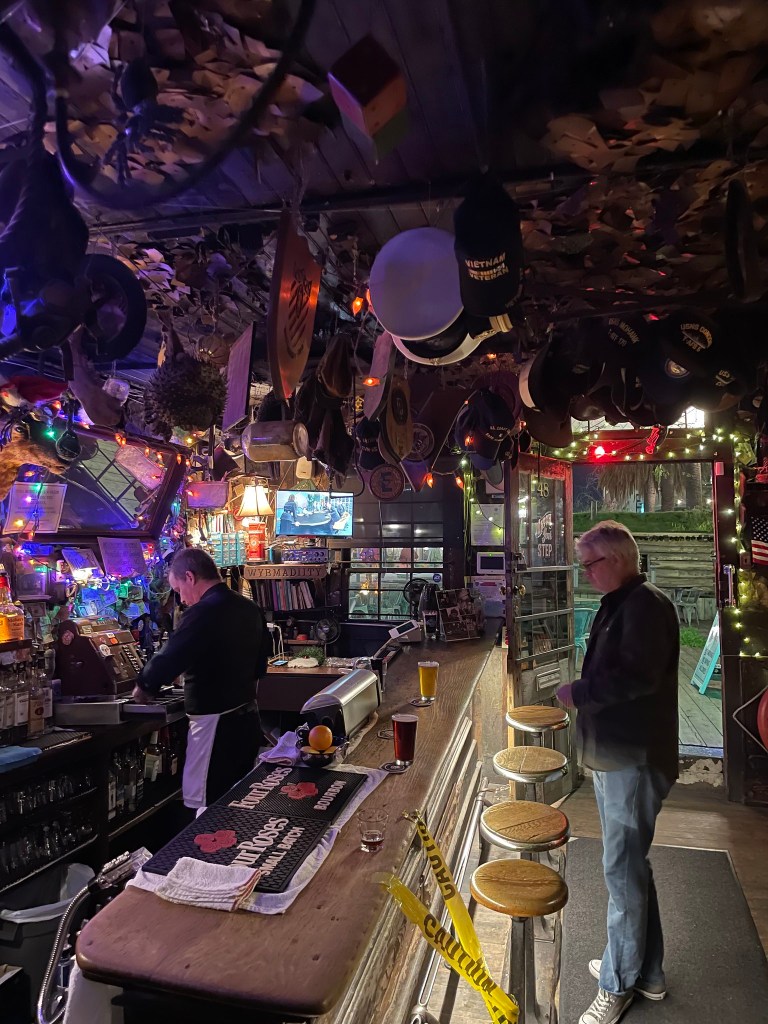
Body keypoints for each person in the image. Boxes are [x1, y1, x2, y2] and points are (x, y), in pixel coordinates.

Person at [556, 521, 679, 1024]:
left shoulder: (646, 606)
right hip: (617, 755)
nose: (585, 575)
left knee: (622, 872)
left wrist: (578, 694)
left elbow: (636, 678)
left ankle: (618, 983)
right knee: (630, 867)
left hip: (632, 757)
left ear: (619, 559)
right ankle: (644, 971)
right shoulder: (624, 602)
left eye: (591, 564)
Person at [132, 548, 269, 813]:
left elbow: (173, 653)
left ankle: (203, 855)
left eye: (178, 589)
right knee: (237, 802)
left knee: (207, 807)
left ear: (190, 577)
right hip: (248, 719)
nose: (181, 598)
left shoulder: (203, 611)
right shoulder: (250, 608)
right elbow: (259, 668)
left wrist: (145, 685)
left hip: (214, 727)